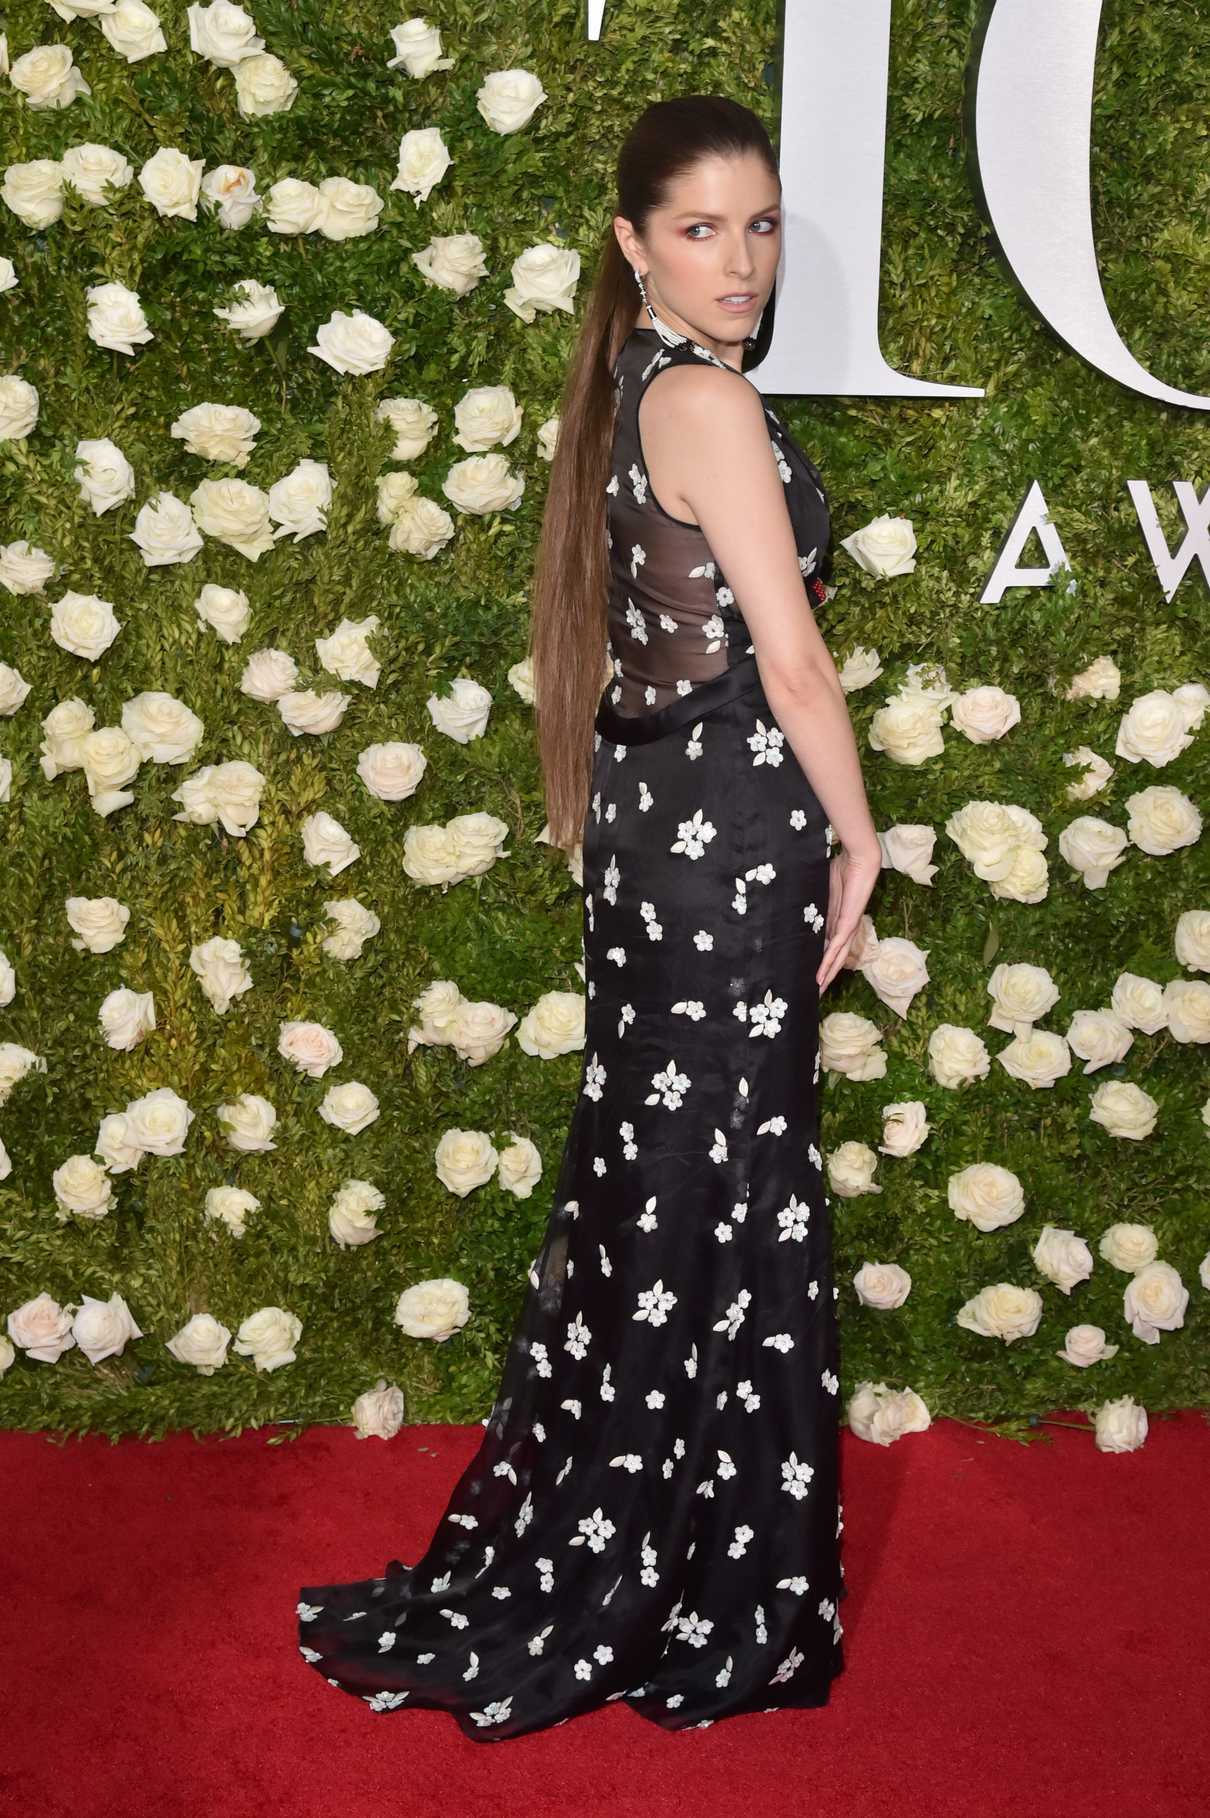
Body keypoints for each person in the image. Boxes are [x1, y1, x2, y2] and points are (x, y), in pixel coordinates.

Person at [296, 94, 881, 1743]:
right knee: (721, 1191)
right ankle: (685, 1576)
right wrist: (861, 833)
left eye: (759, 225)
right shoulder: (697, 394)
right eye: (701, 229)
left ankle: (650, 1537)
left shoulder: (629, 389)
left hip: (659, 840)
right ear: (631, 245)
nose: (740, 261)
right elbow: (792, 660)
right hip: (729, 845)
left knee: (667, 1183)